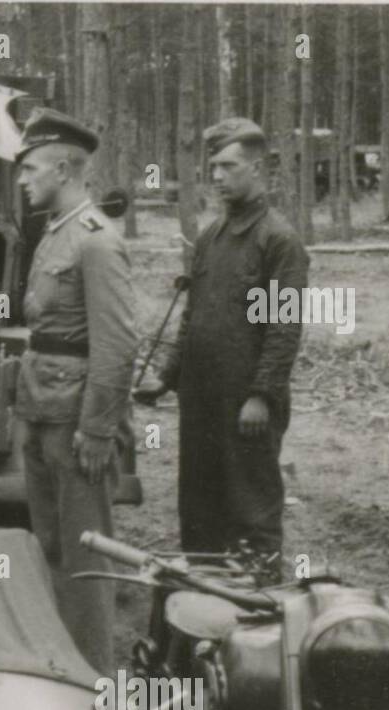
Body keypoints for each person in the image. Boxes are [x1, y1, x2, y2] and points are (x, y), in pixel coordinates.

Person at [135, 118, 308, 576]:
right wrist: (167, 377)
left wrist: (261, 396)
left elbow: (283, 327)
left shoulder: (279, 241)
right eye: (213, 166)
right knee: (199, 506)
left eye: (227, 166)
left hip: (245, 407)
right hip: (201, 401)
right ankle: (202, 609)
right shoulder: (210, 237)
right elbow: (193, 317)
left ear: (256, 169)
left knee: (252, 508)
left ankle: (260, 607)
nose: (216, 176)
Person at [13, 107, 137, 674]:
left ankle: (93, 683)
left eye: (31, 168)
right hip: (42, 409)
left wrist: (98, 428)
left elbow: (116, 345)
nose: (22, 179)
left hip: (75, 421)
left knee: (86, 556)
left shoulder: (96, 242)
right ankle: (58, 668)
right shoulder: (53, 233)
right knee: (50, 547)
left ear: (64, 169)